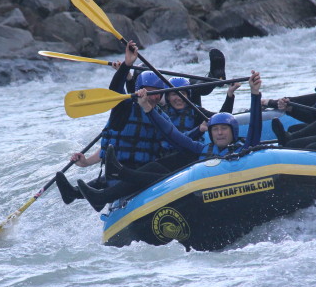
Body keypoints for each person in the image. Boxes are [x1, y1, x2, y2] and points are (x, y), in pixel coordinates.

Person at [76, 72, 263, 211]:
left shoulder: (245, 148)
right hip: (198, 196)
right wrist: (148, 108)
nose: (220, 133)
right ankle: (107, 186)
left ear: (234, 132)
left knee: (160, 169)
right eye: (216, 129)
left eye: (224, 129)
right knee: (159, 169)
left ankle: (118, 176)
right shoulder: (201, 148)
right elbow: (171, 134)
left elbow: (254, 125)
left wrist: (255, 94)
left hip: (232, 191)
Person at [55, 40, 174, 206]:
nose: (153, 97)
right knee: (113, 176)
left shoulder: (163, 117)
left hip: (143, 173)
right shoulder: (124, 108)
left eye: (158, 93)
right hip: (117, 171)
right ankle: (76, 193)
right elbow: (115, 90)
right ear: (139, 91)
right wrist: (126, 65)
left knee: (141, 171)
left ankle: (80, 194)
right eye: (149, 92)